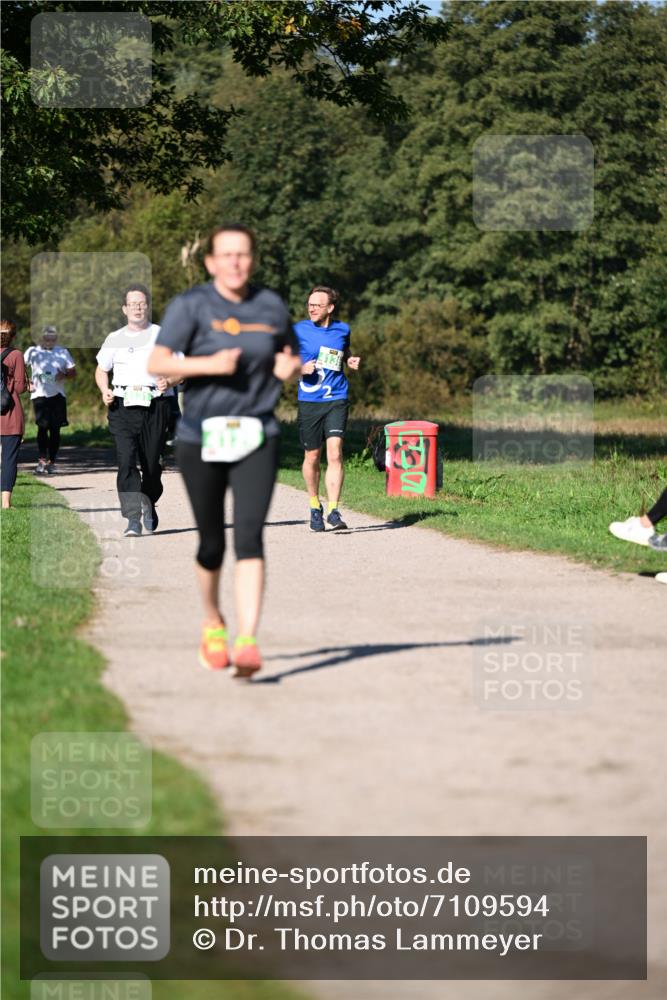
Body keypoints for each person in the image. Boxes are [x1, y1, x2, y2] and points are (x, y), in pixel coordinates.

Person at [148, 223, 301, 678]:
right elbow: (157, 362)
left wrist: (289, 367)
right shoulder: (192, 306)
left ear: (252, 260)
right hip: (202, 435)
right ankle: (213, 621)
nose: (235, 261)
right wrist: (208, 364)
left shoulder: (269, 305)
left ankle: (248, 640)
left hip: (258, 432)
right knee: (212, 542)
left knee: (250, 536)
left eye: (243, 254)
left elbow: (289, 354)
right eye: (226, 254)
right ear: (211, 262)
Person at [95, 284, 176, 537]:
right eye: (133, 304)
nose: (138, 308)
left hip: (155, 404)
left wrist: (170, 381)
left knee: (152, 465)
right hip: (122, 405)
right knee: (126, 461)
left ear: (148, 306)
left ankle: (149, 501)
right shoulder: (114, 338)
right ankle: (132, 519)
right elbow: (101, 370)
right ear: (124, 309)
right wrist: (104, 389)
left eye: (141, 303)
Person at [294, 286, 361, 531]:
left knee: (335, 452)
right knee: (312, 456)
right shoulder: (298, 330)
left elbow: (344, 352)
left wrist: (349, 360)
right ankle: (315, 506)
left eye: (317, 305)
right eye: (309, 304)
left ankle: (333, 509)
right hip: (310, 401)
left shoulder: (343, 329)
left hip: (337, 398)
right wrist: (299, 369)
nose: (311, 308)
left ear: (330, 308)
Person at [24, 325, 76, 474]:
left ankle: (51, 461)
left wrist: (65, 375)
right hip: (39, 394)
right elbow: (19, 367)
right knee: (42, 426)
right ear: (41, 338)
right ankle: (41, 459)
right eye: (47, 338)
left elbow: (73, 372)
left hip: (58, 395)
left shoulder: (62, 352)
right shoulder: (33, 351)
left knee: (55, 429)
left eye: (52, 338)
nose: (49, 341)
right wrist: (27, 382)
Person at [0, 319, 28, 509]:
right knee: (9, 458)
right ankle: (6, 503)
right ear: (13, 336)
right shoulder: (16, 355)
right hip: (9, 412)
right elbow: (19, 387)